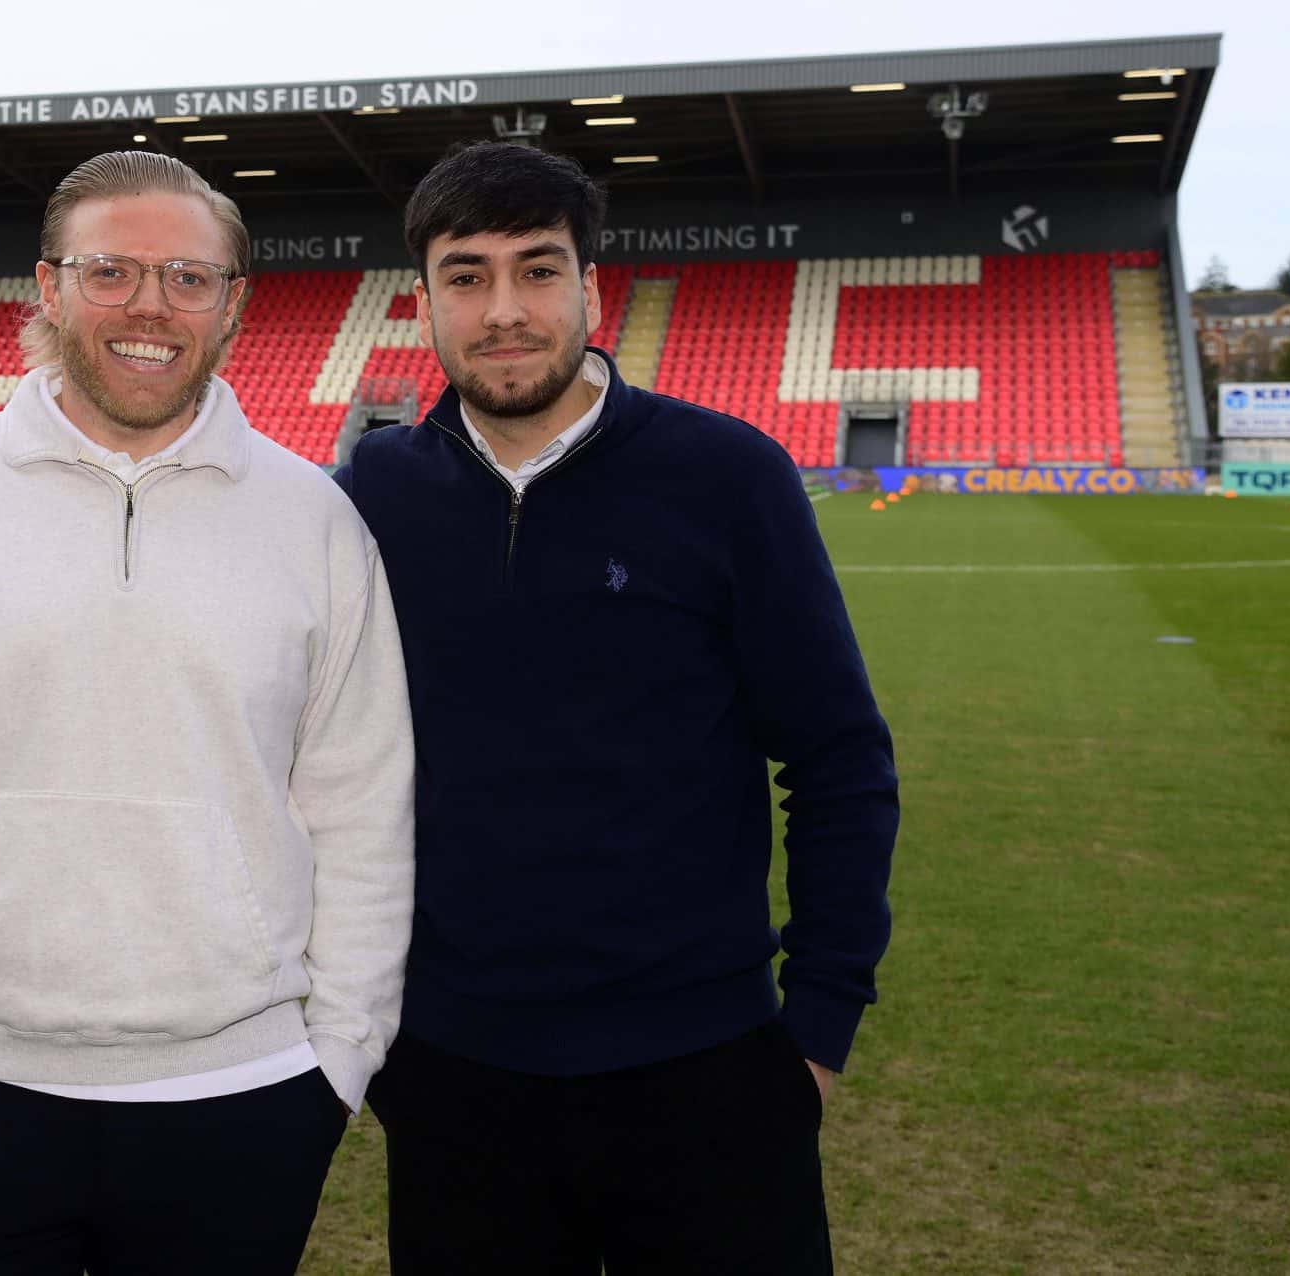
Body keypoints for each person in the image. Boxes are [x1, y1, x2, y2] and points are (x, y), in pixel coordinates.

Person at [0, 149, 415, 1276]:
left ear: (232, 304)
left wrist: (337, 1062)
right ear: (48, 286)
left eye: (186, 277)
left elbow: (361, 806)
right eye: (110, 270)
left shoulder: (315, 521)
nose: (148, 306)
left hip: (244, 1095)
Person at [336, 141, 899, 1274]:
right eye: (467, 275)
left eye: (537, 270)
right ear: (423, 300)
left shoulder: (725, 474)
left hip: (707, 1070)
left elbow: (838, 757)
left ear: (592, 284)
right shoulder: (369, 494)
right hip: (455, 1074)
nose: (503, 310)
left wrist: (816, 1029)